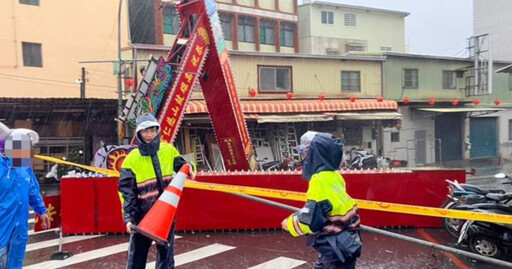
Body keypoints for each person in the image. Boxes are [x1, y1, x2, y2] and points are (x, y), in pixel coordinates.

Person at [118, 113, 195, 269]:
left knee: (166, 258)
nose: (149, 135)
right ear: (139, 133)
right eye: (145, 131)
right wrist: (128, 218)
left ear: (157, 131)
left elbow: (184, 165)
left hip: (166, 214)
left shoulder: (168, 151)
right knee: (137, 258)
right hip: (142, 217)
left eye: (153, 130)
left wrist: (190, 169)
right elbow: (127, 193)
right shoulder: (131, 159)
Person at [281, 131, 362, 269]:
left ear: (315, 155)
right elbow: (326, 210)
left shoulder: (319, 180)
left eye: (305, 152)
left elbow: (311, 221)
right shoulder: (335, 177)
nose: (303, 157)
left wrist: (289, 224)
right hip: (347, 245)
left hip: (334, 250)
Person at [0, 124, 50, 269]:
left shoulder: (23, 166)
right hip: (2, 223)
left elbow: (32, 189)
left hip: (19, 225)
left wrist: (41, 210)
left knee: (15, 262)